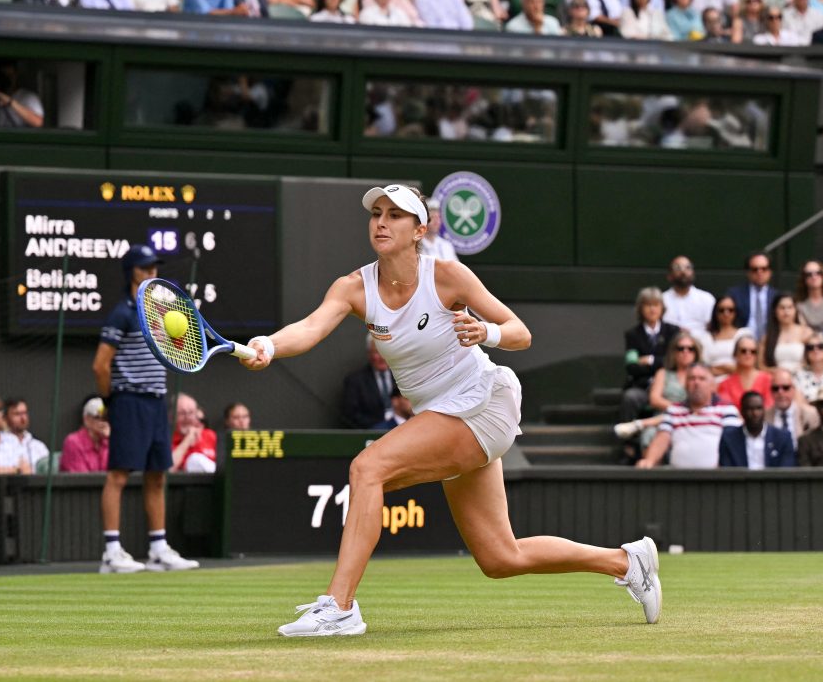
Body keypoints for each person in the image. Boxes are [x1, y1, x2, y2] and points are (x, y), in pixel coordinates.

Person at [242, 183, 662, 634]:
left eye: (395, 215)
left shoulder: (447, 276)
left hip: (483, 401)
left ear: (419, 229)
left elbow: (519, 331)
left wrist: (487, 333)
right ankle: (626, 561)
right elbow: (309, 328)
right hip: (443, 417)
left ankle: (340, 606)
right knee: (500, 557)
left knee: (368, 468)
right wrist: (268, 344)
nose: (381, 222)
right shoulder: (352, 288)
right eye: (376, 213)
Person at [93, 243, 199, 574]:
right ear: (131, 273)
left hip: (156, 402)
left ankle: (157, 549)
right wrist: (110, 402)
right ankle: (112, 552)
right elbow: (100, 365)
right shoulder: (121, 312)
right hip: (128, 400)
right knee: (119, 474)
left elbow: (175, 350)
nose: (152, 272)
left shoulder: (161, 314)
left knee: (157, 476)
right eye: (145, 268)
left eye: (155, 267)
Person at [637, 363, 740, 468]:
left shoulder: (726, 409)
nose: (696, 382)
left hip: (716, 479)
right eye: (692, 378)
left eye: (702, 379)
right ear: (685, 385)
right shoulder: (674, 410)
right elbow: (662, 438)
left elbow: (733, 442)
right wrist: (649, 460)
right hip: (680, 479)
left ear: (713, 386)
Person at [614, 331, 702, 444]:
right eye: (680, 348)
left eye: (690, 349)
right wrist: (679, 409)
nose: (685, 352)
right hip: (663, 417)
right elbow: (654, 399)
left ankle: (639, 424)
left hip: (694, 418)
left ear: (696, 353)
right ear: (674, 352)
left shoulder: (703, 375)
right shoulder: (663, 373)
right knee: (650, 434)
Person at [619, 287, 680, 424]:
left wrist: (650, 360)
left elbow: (674, 361)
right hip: (642, 386)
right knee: (630, 398)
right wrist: (661, 362)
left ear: (662, 308)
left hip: (669, 385)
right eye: (648, 305)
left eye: (656, 305)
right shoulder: (632, 334)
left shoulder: (673, 331)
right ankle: (629, 442)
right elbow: (632, 367)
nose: (652, 309)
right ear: (640, 308)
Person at [719, 391, 795, 468]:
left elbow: (786, 472)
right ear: (742, 412)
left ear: (764, 410)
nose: (755, 413)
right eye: (750, 409)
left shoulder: (782, 438)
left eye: (759, 408)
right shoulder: (729, 439)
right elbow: (727, 472)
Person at [342, 335, 397, 428]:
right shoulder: (355, 381)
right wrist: (380, 427)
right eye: (378, 352)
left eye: (386, 352)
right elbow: (352, 414)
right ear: (369, 354)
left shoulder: (402, 376)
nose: (382, 357)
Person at [694, 296, 753, 384]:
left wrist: (722, 369)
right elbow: (704, 367)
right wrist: (727, 368)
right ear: (716, 313)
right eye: (721, 310)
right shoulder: (705, 337)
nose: (726, 313)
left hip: (741, 381)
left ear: (736, 312)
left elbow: (749, 363)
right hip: (712, 383)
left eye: (730, 310)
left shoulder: (744, 334)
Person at [726, 251, 776, 341]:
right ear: (748, 272)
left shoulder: (776, 296)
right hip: (741, 342)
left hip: (770, 343)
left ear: (770, 272)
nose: (759, 272)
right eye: (754, 269)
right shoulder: (735, 294)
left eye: (764, 269)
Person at [759, 293, 813, 373]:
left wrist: (802, 368)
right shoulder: (767, 337)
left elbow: (814, 359)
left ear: (795, 310)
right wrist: (774, 371)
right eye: (782, 308)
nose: (786, 311)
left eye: (790, 307)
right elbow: (760, 366)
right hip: (776, 380)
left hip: (802, 377)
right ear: (775, 311)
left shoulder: (806, 332)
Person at [766, 368, 819, 450]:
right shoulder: (764, 416)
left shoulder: (810, 414)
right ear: (771, 391)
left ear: (793, 390)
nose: (780, 392)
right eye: (775, 388)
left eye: (786, 387)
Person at [661, 255, 715, 334]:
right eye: (677, 268)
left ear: (693, 273)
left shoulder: (706, 299)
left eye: (688, 267)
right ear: (669, 276)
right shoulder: (662, 300)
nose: (683, 272)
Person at [717, 335, 774, 409]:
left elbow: (769, 407)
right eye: (743, 351)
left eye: (753, 351)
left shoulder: (768, 380)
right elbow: (725, 408)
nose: (748, 354)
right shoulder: (725, 384)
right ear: (735, 354)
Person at [0, 60, 44, 129]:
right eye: (3, 76)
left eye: (9, 76)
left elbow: (38, 122)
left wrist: (10, 102)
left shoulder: (29, 97)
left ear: (16, 75)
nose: (6, 80)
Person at [60, 397, 110, 473]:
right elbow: (81, 479)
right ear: (86, 419)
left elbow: (117, 473)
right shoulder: (73, 442)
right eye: (98, 418)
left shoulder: (109, 441)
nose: (103, 422)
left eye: (106, 418)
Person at [171, 393, 218, 473]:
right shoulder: (166, 439)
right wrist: (187, 441)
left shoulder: (210, 435)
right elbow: (168, 469)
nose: (188, 418)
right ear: (171, 416)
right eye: (182, 413)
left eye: (191, 413)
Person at [4, 398, 49, 470]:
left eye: (24, 413)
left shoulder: (38, 446)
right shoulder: (0, 444)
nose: (23, 418)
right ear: (6, 418)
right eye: (17, 414)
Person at [419, 198, 458, 262]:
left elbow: (457, 269)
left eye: (438, 217)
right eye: (432, 217)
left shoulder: (447, 246)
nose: (436, 221)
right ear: (424, 221)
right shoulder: (416, 246)